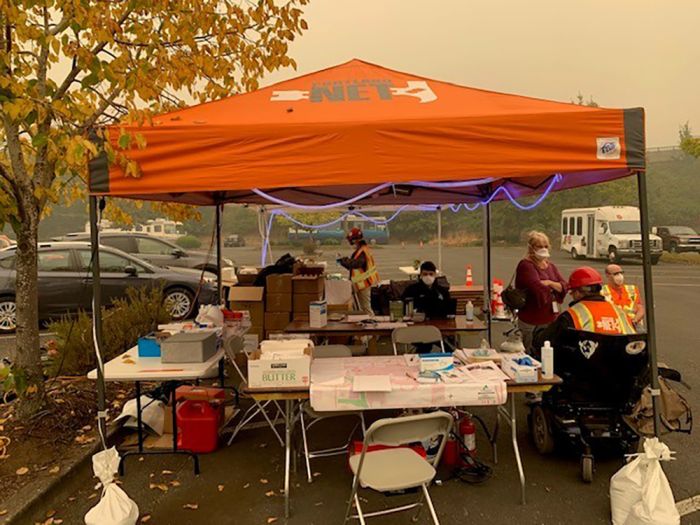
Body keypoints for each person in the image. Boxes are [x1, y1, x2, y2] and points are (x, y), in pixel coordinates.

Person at [533, 266, 636, 351]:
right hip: (622, 371)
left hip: (585, 372)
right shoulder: (620, 313)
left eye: (572, 292)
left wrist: (541, 321)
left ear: (577, 292)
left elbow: (542, 342)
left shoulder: (572, 315)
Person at [514, 231, 568, 352]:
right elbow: (536, 287)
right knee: (530, 352)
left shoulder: (551, 266)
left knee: (548, 353)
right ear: (531, 248)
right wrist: (555, 287)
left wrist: (549, 283)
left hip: (550, 319)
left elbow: (565, 285)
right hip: (531, 320)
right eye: (539, 246)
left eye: (545, 246)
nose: (543, 249)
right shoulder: (526, 265)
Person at [337, 227, 380, 315]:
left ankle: (372, 324)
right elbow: (353, 265)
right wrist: (344, 261)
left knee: (366, 307)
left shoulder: (363, 251)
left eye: (351, 240)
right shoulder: (361, 250)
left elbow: (356, 264)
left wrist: (343, 260)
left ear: (355, 240)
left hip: (364, 284)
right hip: (360, 283)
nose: (351, 243)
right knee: (357, 306)